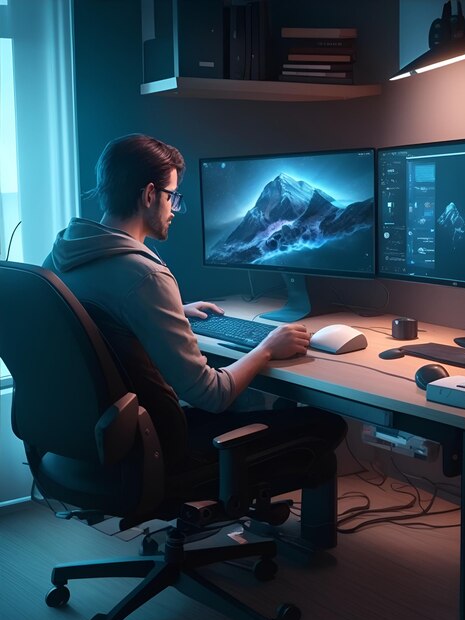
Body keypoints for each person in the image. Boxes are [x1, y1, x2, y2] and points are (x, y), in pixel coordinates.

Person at [43, 134, 346, 486]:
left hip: (96, 440)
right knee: (325, 424)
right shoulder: (144, 275)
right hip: (160, 447)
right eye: (172, 197)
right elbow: (211, 394)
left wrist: (169, 311)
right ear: (149, 195)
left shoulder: (62, 256)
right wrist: (267, 349)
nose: (174, 209)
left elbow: (100, 321)